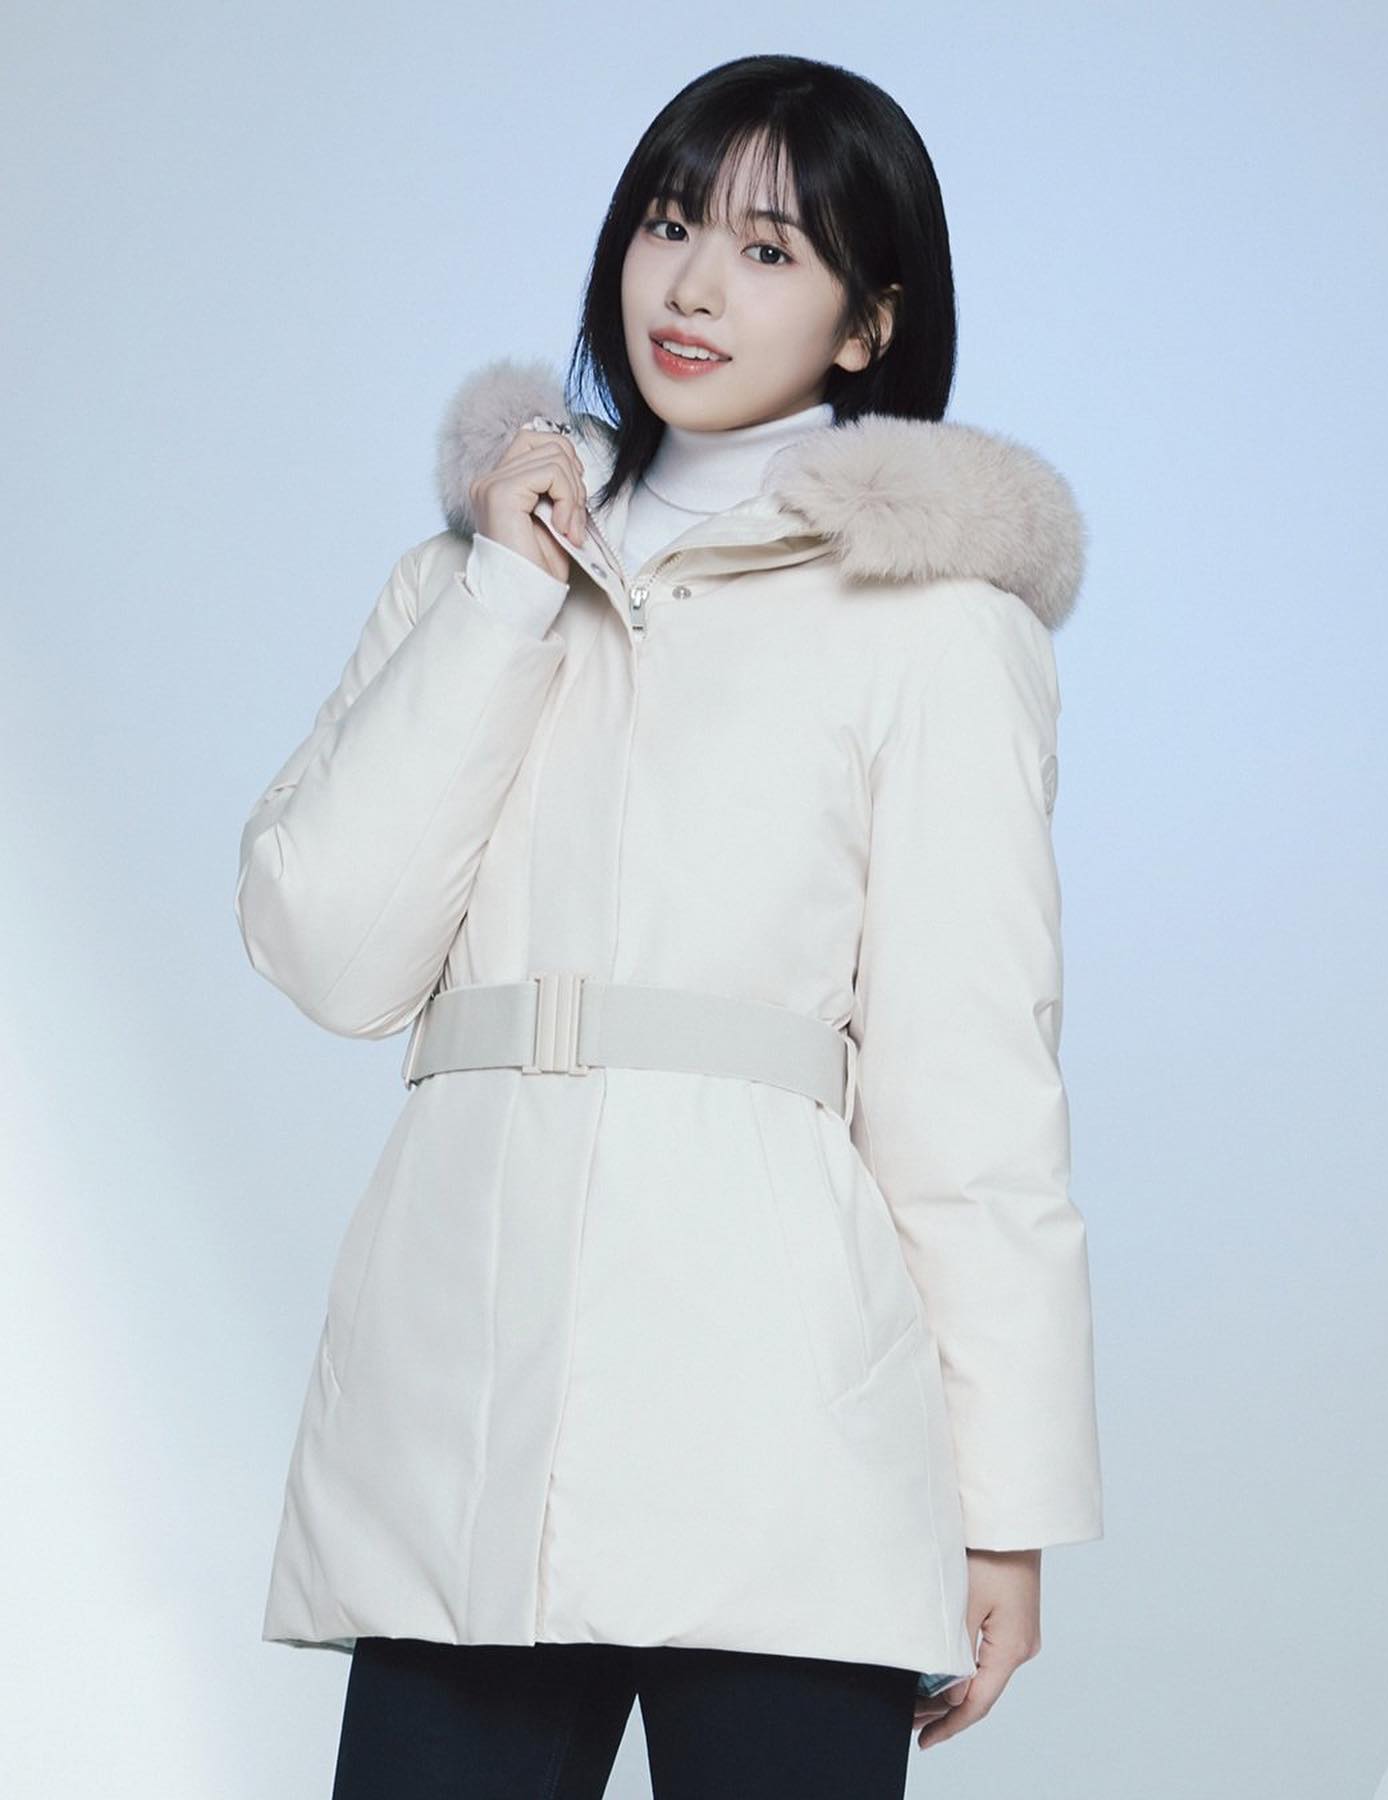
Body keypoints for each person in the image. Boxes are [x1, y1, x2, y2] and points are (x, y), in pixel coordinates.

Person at [234, 51, 1103, 1799]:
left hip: (785, 1439)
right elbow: (329, 955)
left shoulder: (932, 628)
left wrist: (1003, 1510)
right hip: (465, 1426)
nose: (694, 285)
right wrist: (506, 590)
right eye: (668, 222)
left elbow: (973, 1088)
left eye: (771, 251)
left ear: (868, 325)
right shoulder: (465, 583)